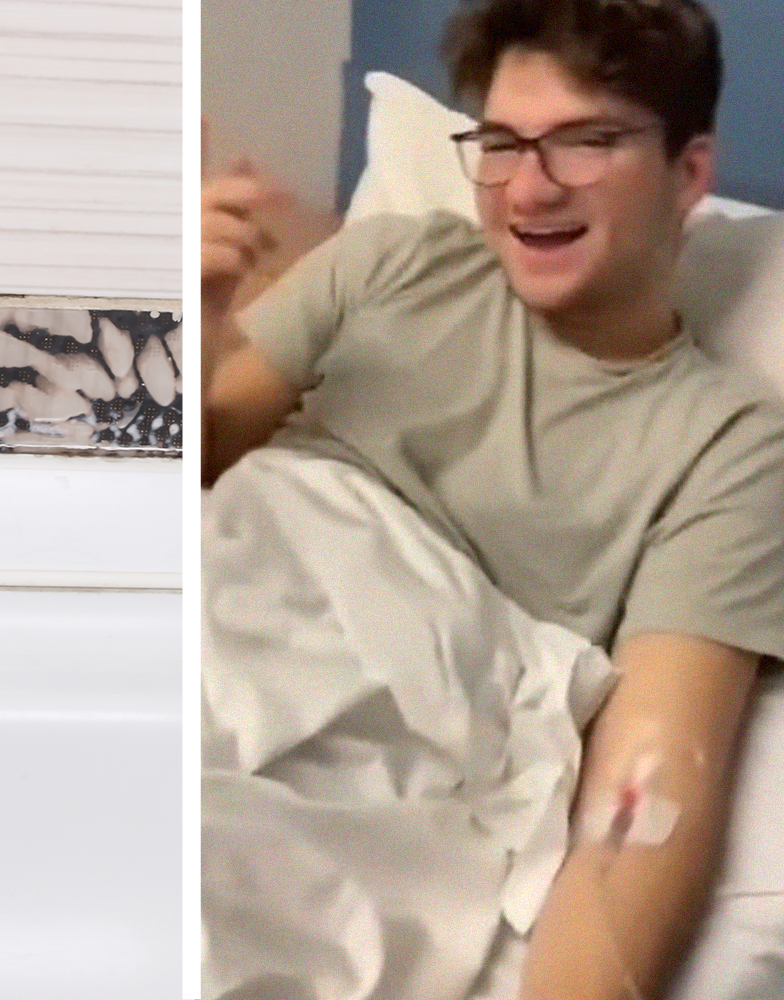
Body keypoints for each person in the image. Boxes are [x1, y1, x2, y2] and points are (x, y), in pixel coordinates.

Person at [201, 0, 784, 997]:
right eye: (503, 142)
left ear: (687, 173)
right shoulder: (392, 264)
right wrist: (189, 334)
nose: (526, 187)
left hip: (425, 685)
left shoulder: (728, 444)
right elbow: (203, 464)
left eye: (582, 143)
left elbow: (643, 798)